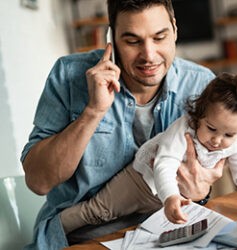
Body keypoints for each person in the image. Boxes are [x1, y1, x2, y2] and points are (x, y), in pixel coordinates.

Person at [20, 1, 224, 249]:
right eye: (132, 41)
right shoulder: (68, 76)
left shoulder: (201, 84)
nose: (149, 55)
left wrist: (200, 194)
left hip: (168, 232)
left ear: (175, 30)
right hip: (84, 237)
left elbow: (206, 176)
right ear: (111, 38)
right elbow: (38, 182)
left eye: (159, 38)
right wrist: (93, 111)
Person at [60, 73, 237, 234]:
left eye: (229, 134)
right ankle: (56, 228)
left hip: (168, 198)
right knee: (98, 212)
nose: (218, 140)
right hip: (141, 181)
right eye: (211, 128)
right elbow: (164, 164)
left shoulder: (235, 143)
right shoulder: (184, 128)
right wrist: (171, 197)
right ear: (199, 115)